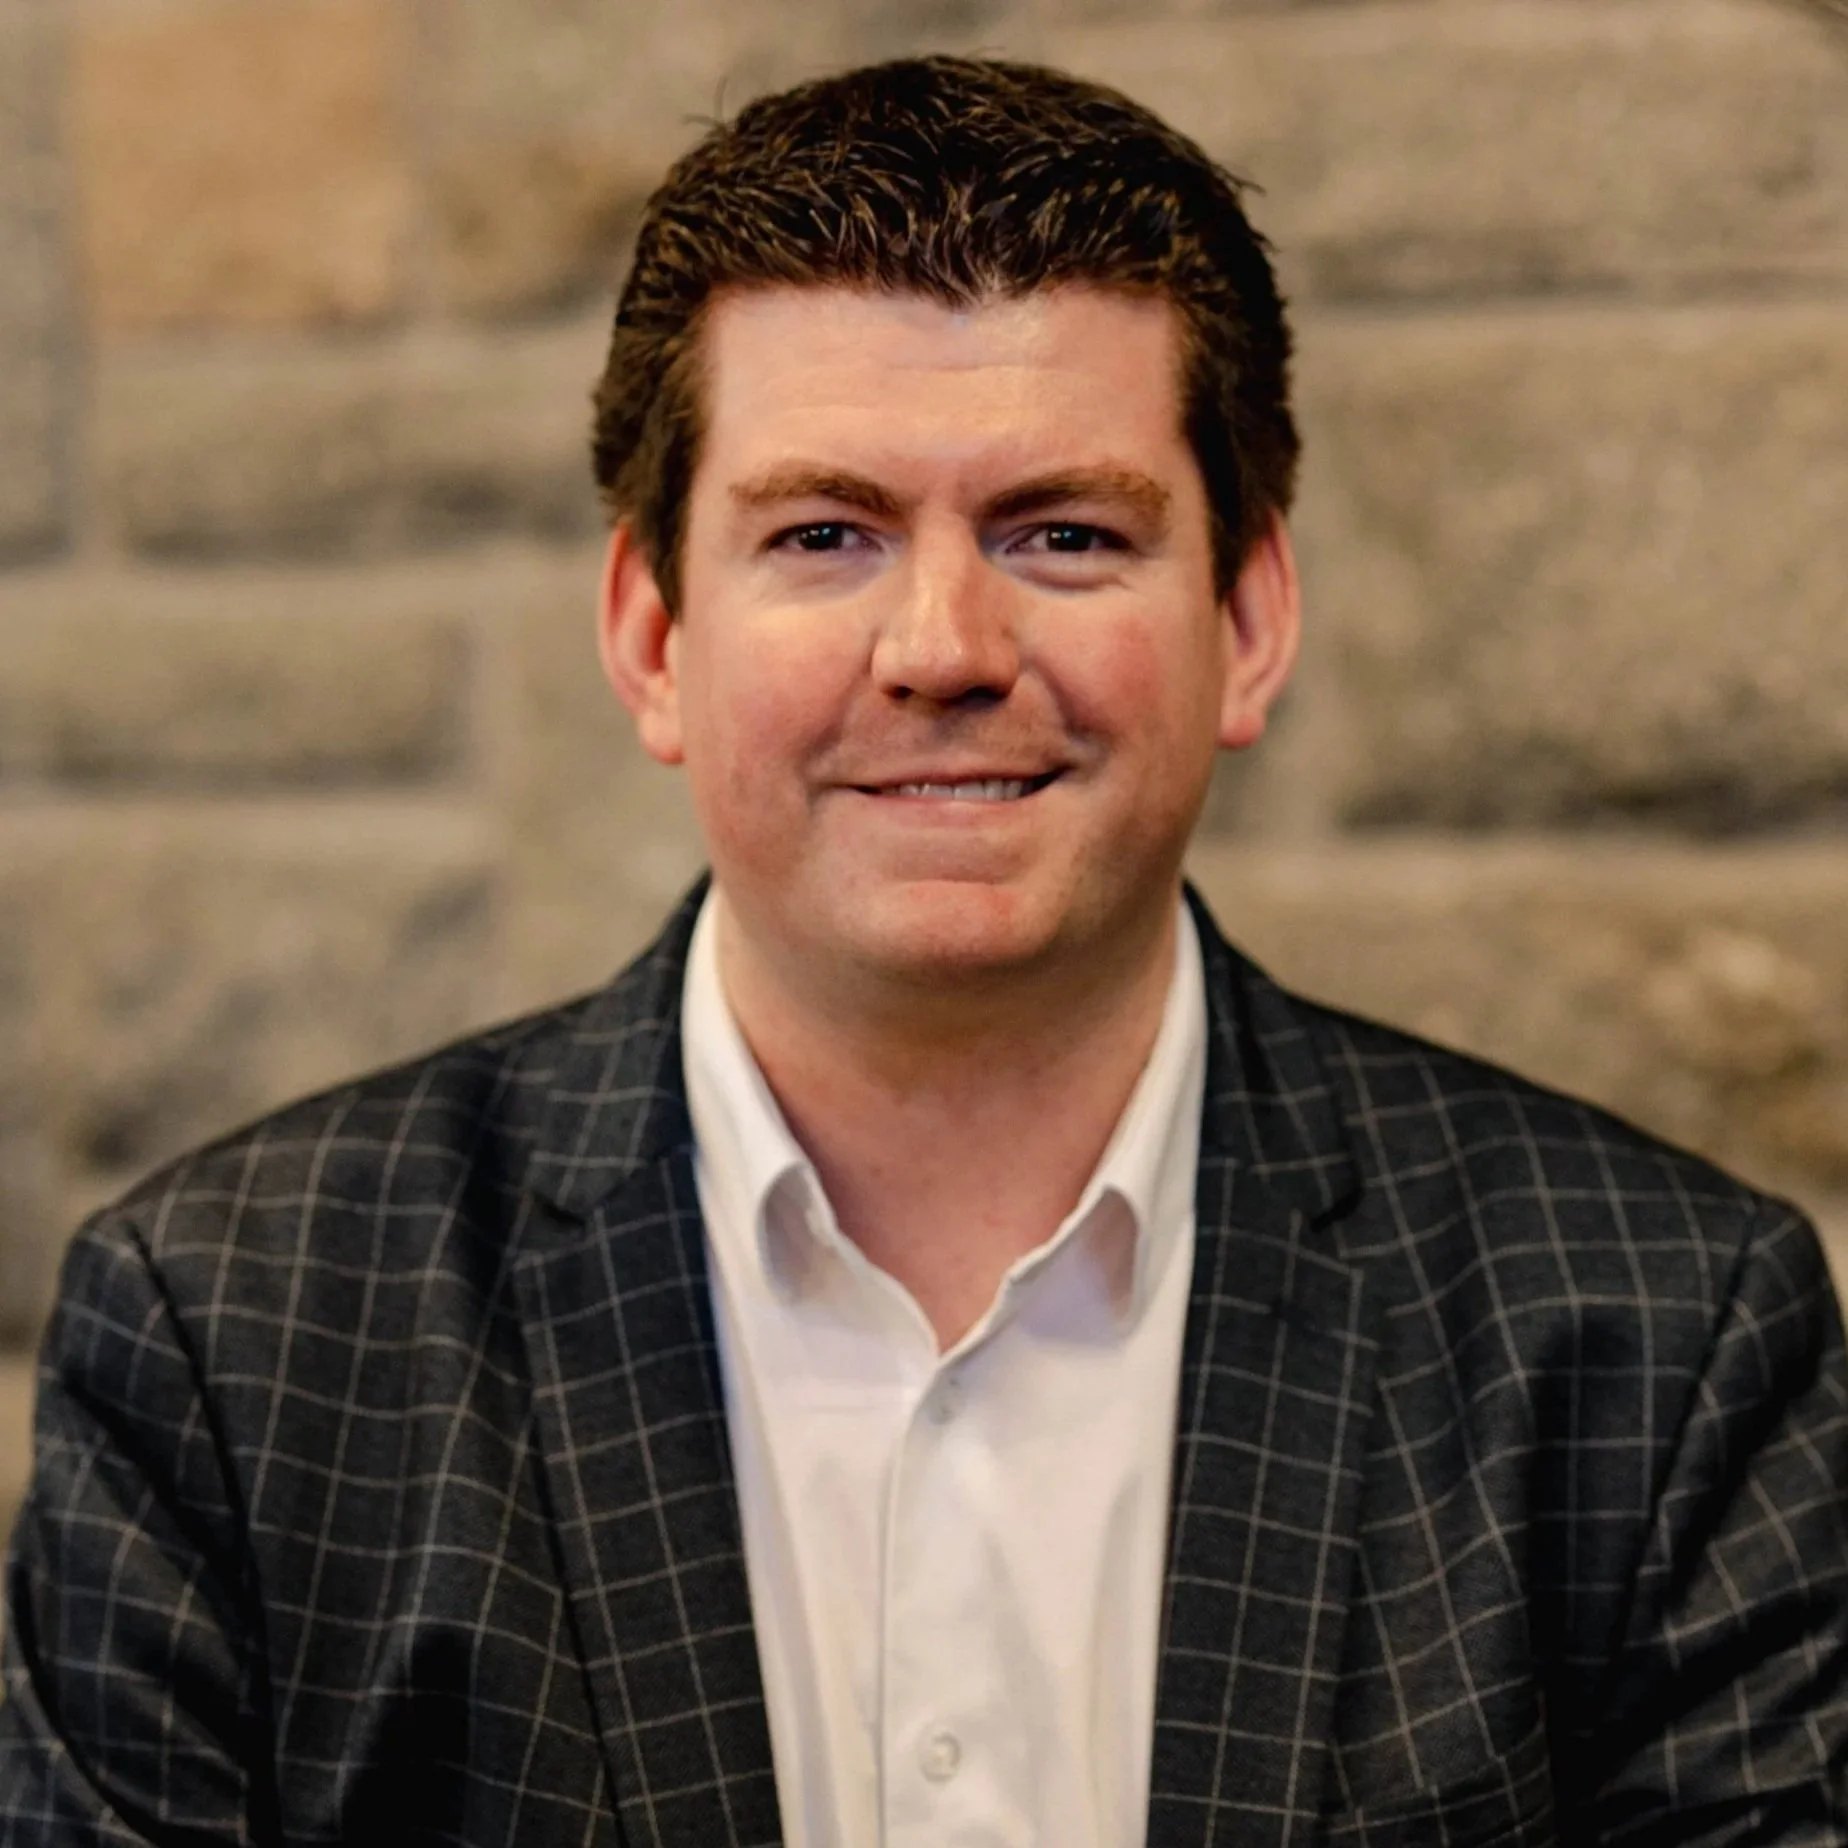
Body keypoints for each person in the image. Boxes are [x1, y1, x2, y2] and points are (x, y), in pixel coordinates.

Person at [3, 52, 1846, 1848]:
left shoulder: (1659, 1343)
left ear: (1252, 618)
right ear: (653, 635)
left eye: (1063, 531)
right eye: (824, 533)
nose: (943, 645)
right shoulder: (237, 1340)